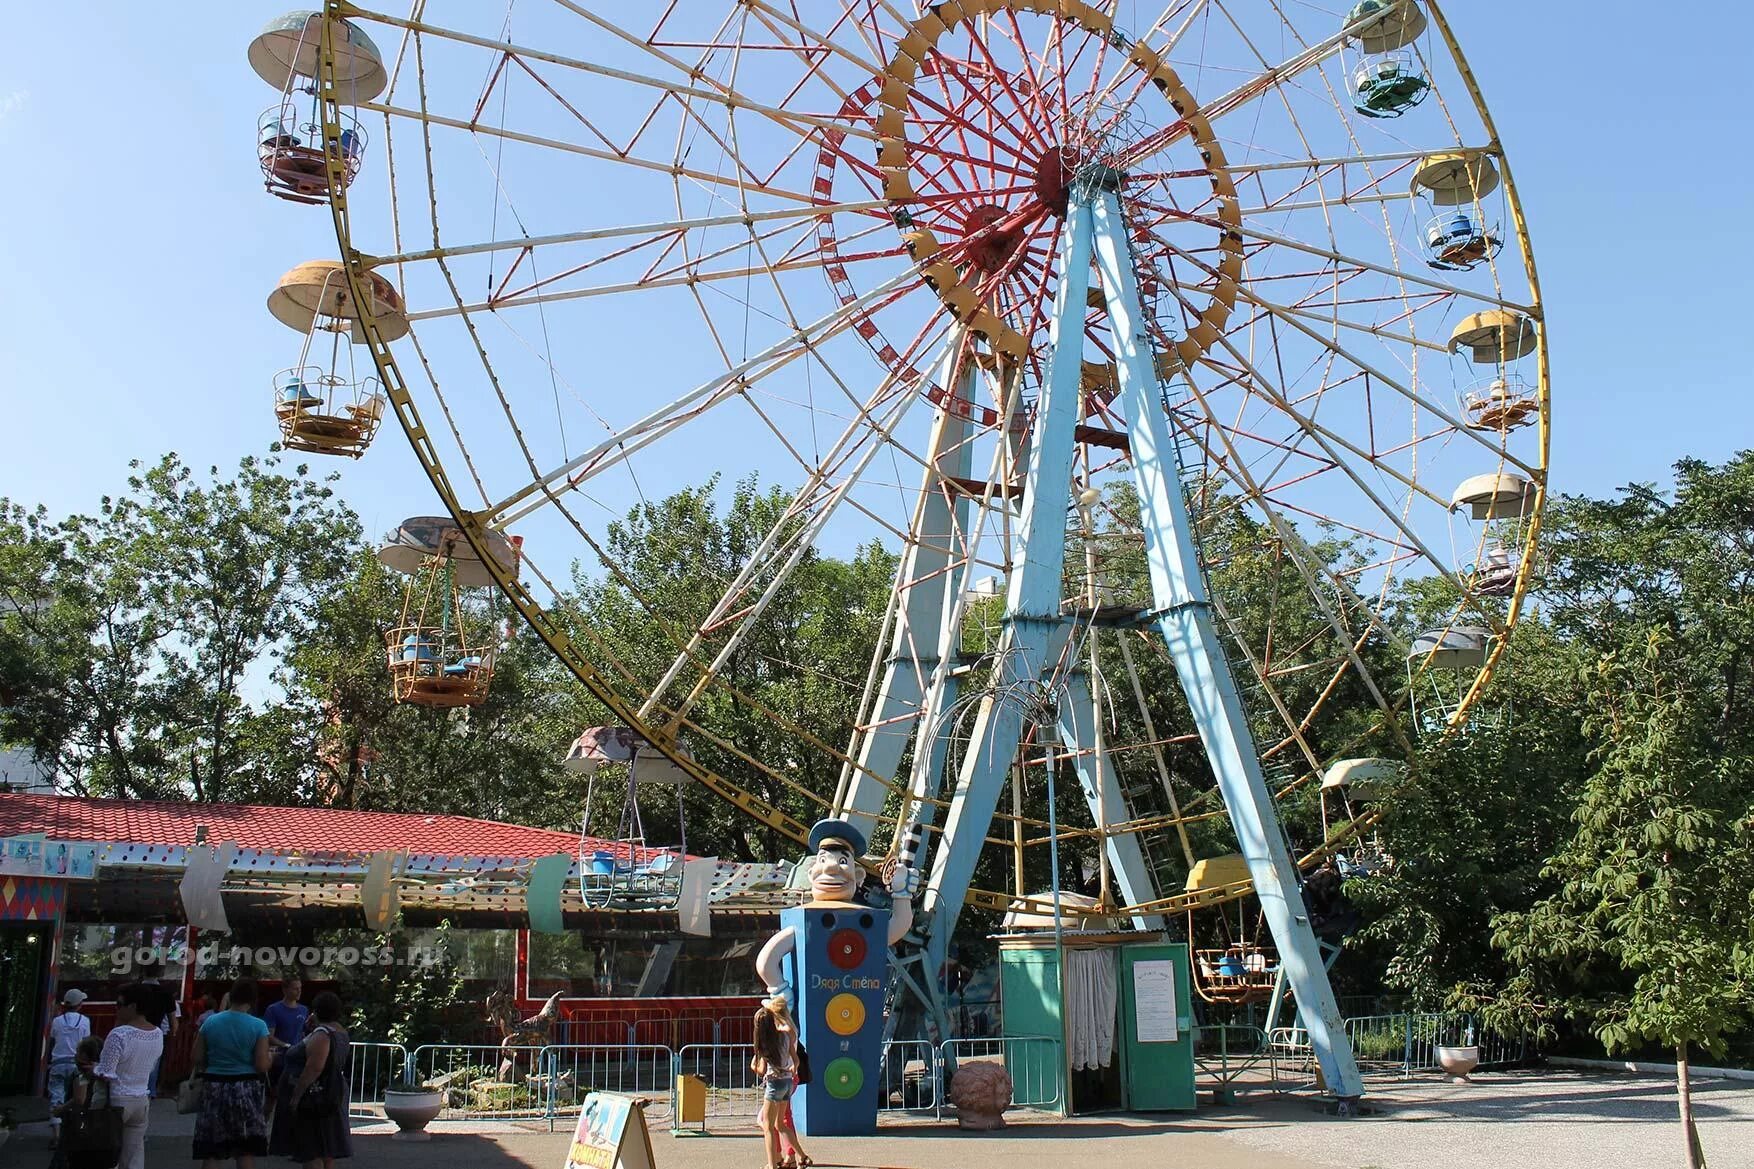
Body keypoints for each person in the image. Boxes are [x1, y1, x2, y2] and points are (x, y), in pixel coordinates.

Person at [192, 978, 272, 1168]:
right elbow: (261, 1065)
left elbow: (196, 1057)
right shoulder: (258, 1025)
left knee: (211, 1148)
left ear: (231, 996)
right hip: (245, 1086)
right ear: (253, 999)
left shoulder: (211, 1022)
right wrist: (272, 1059)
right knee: (244, 1148)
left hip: (214, 1085)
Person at [269, 991, 352, 1168]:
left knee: (312, 1149)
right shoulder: (340, 1031)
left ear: (316, 1010)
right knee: (326, 1148)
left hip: (314, 1096)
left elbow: (314, 1067)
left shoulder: (322, 1035)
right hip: (331, 1092)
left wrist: (296, 1096)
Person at [94, 982, 166, 1169]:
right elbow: (151, 1067)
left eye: (119, 1004)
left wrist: (92, 1068)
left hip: (115, 1099)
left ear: (132, 1007)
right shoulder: (157, 1034)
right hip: (140, 1098)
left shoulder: (119, 1034)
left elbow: (106, 1073)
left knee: (105, 1156)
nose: (116, 1008)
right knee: (132, 1156)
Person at [750, 998, 808, 1169]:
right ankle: (800, 1156)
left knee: (767, 1125)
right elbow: (796, 1060)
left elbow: (761, 1070)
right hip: (787, 1081)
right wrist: (792, 1069)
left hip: (774, 1083)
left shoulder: (764, 1043)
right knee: (780, 1123)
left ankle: (773, 1163)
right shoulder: (785, 1035)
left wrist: (753, 1066)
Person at [54, 1035, 121, 1169]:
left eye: (78, 1051)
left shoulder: (82, 1075)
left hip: (81, 1124)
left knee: (68, 1159)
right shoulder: (106, 1074)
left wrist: (61, 1109)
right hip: (104, 1123)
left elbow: (79, 1099)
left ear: (84, 1055)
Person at [45, 988, 92, 1148]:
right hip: (78, 1065)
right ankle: (76, 1131)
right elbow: (87, 1043)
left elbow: (52, 1039)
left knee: (56, 1096)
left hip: (58, 1063)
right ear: (79, 1004)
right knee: (79, 1099)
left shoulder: (57, 1021)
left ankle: (56, 1135)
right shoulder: (85, 1021)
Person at [139, 972, 180, 1098]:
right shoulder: (165, 994)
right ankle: (150, 1091)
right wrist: (173, 1032)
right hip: (157, 1033)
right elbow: (174, 1020)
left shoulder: (134, 990)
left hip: (137, 1029)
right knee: (154, 1064)